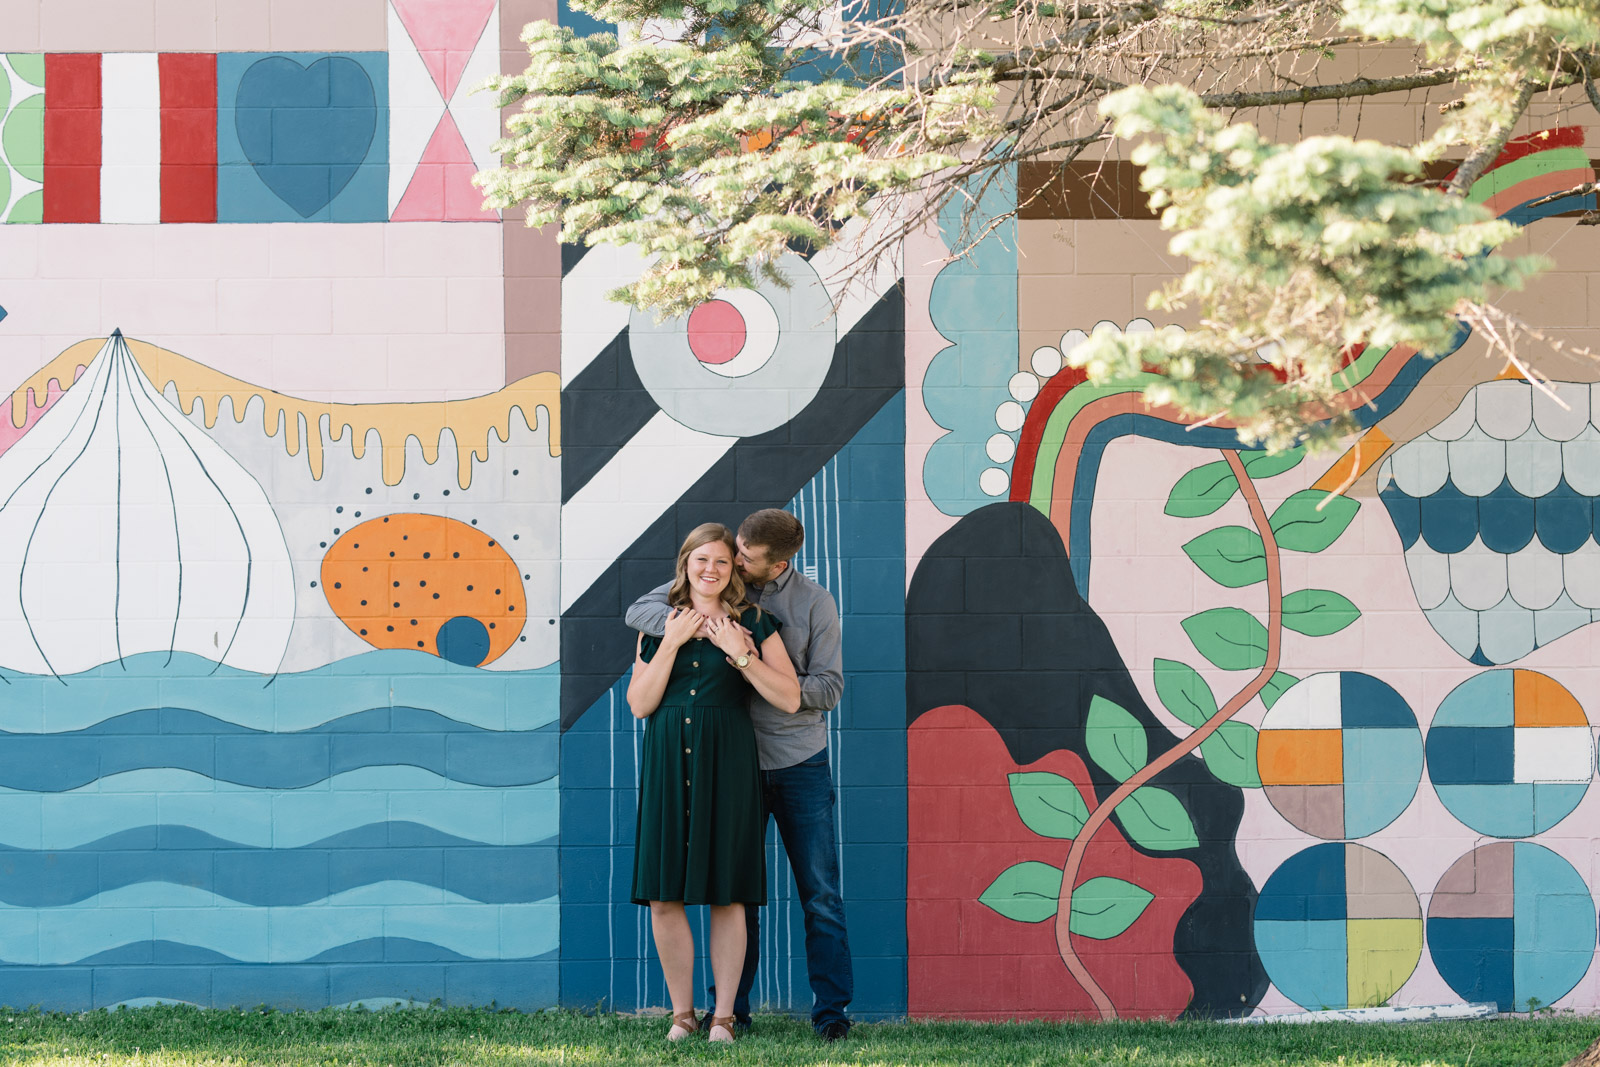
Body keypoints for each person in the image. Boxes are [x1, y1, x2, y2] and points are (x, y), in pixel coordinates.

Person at [627, 508, 853, 1042]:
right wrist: (687, 630)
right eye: (729, 555)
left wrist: (747, 660)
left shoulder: (809, 605)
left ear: (777, 564)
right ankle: (729, 1013)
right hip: (726, 764)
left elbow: (824, 689)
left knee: (819, 894)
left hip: (795, 759)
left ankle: (831, 1016)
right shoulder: (702, 583)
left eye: (741, 559)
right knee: (734, 891)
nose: (732, 564)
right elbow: (644, 611)